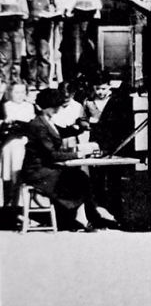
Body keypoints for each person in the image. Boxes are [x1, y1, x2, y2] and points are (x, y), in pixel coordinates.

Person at [21, 88, 115, 230]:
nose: (57, 110)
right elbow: (51, 154)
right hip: (36, 171)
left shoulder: (46, 121)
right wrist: (78, 154)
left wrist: (79, 141)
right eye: (54, 108)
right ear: (45, 107)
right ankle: (84, 215)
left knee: (80, 176)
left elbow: (59, 139)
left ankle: (83, 215)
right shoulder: (38, 125)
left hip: (44, 167)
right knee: (76, 177)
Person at [1, 82, 35, 207]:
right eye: (16, 92)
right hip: (10, 143)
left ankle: (21, 205)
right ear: (10, 93)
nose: (20, 95)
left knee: (19, 173)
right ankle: (9, 204)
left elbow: (29, 122)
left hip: (23, 141)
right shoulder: (7, 105)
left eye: (22, 92)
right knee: (8, 174)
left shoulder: (29, 106)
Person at [24, 0, 52, 88]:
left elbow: (52, 5)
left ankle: (43, 82)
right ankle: (31, 81)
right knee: (31, 53)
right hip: (29, 25)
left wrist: (51, 10)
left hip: (43, 24)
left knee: (44, 53)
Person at [72, 0, 102, 80]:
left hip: (90, 26)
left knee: (90, 49)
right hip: (77, 27)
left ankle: (90, 73)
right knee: (77, 50)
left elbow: (98, 13)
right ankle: (78, 73)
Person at [0, 0, 28, 85]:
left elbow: (26, 14)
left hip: (17, 30)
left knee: (17, 59)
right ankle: (5, 82)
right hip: (5, 31)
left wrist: (19, 14)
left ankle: (16, 82)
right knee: (5, 59)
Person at [49, 0, 77, 84]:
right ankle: (59, 78)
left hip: (69, 26)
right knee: (56, 52)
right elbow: (52, 6)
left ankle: (69, 78)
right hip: (57, 25)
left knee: (68, 52)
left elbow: (73, 11)